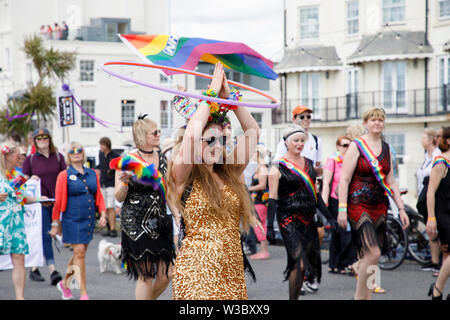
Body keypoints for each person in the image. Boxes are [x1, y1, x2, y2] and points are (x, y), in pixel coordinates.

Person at [169, 62, 260, 299]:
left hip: (231, 273)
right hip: (196, 273)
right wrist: (210, 96)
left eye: (221, 140)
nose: (216, 146)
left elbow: (252, 132)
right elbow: (190, 134)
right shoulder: (183, 173)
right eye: (209, 140)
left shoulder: (229, 171)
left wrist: (231, 100)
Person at [337, 107, 409, 300]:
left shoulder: (386, 148)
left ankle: (366, 295)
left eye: (380, 120)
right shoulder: (357, 145)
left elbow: (391, 180)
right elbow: (344, 179)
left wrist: (401, 208)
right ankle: (360, 297)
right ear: (366, 123)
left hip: (380, 205)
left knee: (370, 258)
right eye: (373, 119)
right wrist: (342, 209)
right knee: (373, 252)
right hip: (358, 203)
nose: (377, 123)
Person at [268, 125, 335, 300]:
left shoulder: (310, 164)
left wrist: (329, 217)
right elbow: (273, 199)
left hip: (308, 220)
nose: (299, 144)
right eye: (295, 140)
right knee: (299, 263)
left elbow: (316, 195)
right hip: (287, 219)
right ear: (286, 142)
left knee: (306, 265)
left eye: (302, 141)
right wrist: (269, 226)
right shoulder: (277, 168)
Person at [114, 115, 175, 300]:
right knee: (146, 275)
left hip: (160, 221)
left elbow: (168, 191)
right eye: (155, 132)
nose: (159, 135)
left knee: (166, 276)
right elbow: (118, 197)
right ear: (142, 136)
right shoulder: (128, 160)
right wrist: (124, 184)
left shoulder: (163, 158)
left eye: (159, 131)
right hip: (136, 223)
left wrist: (178, 216)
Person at [273, 105, 324, 293]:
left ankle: (310, 275)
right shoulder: (285, 140)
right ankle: (300, 277)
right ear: (294, 118)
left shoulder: (316, 140)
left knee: (317, 238)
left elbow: (319, 169)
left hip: (310, 196)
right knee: (297, 256)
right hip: (291, 199)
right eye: (302, 116)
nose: (306, 119)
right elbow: (278, 168)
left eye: (309, 116)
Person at [50, 142, 107, 300]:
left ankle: (64, 284)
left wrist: (102, 214)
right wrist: (55, 224)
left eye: (79, 150)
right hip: (72, 220)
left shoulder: (92, 173)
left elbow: (99, 196)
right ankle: (84, 293)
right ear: (68, 155)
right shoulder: (64, 175)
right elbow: (59, 201)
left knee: (78, 254)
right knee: (79, 254)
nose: (76, 153)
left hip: (88, 220)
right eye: (72, 151)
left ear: (83, 153)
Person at [0, 141, 48, 299]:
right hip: (1, 222)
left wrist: (39, 199)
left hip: (16, 223)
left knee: (19, 257)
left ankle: (20, 297)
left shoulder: (17, 176)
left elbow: (22, 198)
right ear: (7, 155)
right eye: (17, 154)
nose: (20, 157)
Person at [22, 128, 66, 285]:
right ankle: (53, 270)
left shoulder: (59, 158)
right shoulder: (30, 160)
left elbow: (64, 179)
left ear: (49, 139)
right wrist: (29, 180)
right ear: (34, 141)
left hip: (56, 203)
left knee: (46, 235)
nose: (42, 140)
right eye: (38, 138)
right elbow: (23, 186)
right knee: (46, 234)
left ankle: (34, 269)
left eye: (44, 137)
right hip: (39, 203)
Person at [322, 135, 356, 274]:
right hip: (336, 200)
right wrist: (324, 200)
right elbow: (326, 182)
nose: (347, 148)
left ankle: (335, 264)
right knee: (343, 232)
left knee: (339, 234)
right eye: (344, 145)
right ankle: (342, 263)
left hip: (350, 199)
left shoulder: (352, 161)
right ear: (338, 147)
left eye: (349, 145)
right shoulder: (333, 161)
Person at [426, 126, 450, 300]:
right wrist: (431, 218)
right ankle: (437, 289)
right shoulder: (441, 162)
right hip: (444, 213)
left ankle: (438, 289)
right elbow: (430, 192)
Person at [416, 128, 441, 274]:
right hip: (424, 197)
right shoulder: (427, 155)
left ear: (431, 140)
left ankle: (438, 262)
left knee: (435, 229)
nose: (421, 140)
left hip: (435, 197)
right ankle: (434, 260)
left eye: (424, 137)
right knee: (430, 230)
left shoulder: (437, 155)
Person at [248, 145, 270, 260]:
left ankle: (264, 251)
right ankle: (263, 250)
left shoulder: (262, 168)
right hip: (258, 200)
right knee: (259, 223)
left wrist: (248, 188)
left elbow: (262, 185)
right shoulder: (260, 167)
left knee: (259, 224)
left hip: (260, 201)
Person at [97, 137, 119, 238]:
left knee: (111, 207)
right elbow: (101, 166)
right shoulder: (101, 154)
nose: (100, 147)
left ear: (107, 145)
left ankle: (113, 229)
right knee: (104, 207)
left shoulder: (115, 156)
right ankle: (109, 228)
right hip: (103, 183)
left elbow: (118, 170)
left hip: (111, 184)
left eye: (102, 144)